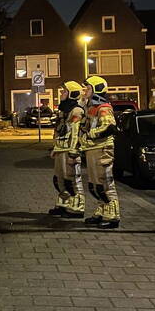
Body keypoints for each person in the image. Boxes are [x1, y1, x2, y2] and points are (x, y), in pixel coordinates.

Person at [79, 75, 121, 229]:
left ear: (96, 90)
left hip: (102, 148)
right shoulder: (91, 108)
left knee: (105, 183)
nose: (85, 91)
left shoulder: (104, 108)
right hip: (92, 148)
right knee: (95, 184)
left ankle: (113, 216)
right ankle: (101, 211)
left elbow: (108, 127)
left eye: (88, 88)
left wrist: (90, 134)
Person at [48, 81, 85, 219]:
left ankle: (77, 208)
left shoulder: (76, 111)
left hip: (69, 151)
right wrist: (55, 148)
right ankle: (64, 204)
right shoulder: (64, 110)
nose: (61, 94)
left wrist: (73, 152)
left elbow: (75, 134)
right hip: (61, 150)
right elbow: (60, 131)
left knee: (72, 181)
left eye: (64, 92)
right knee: (59, 179)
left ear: (72, 94)